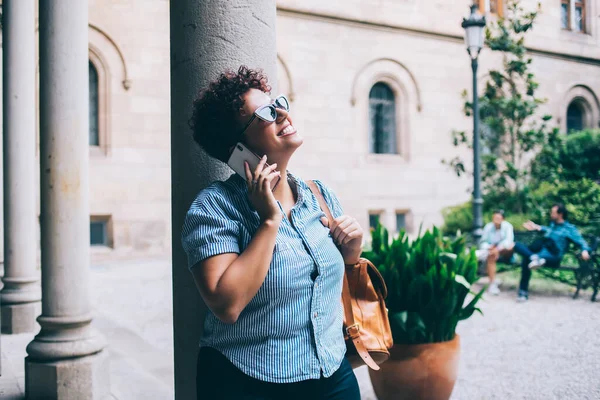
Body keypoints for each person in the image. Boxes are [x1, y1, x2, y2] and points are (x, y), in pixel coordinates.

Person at [181, 66, 362, 400]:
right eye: (265, 112)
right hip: (249, 381)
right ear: (239, 148)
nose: (282, 112)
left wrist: (351, 251)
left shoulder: (319, 195)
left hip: (332, 372)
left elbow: (330, 279)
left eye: (278, 103)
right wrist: (268, 221)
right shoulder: (214, 208)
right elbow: (227, 305)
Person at [511, 204, 591, 302]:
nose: (551, 214)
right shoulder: (553, 226)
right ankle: (534, 258)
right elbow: (549, 230)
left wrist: (585, 250)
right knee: (516, 246)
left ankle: (523, 290)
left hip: (554, 257)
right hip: (540, 254)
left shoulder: (569, 229)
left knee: (526, 259)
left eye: (553, 213)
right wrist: (537, 227)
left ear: (560, 214)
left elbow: (581, 241)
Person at [476, 210, 514, 295]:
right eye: (494, 218)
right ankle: (492, 284)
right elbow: (483, 242)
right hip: (491, 252)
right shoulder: (488, 227)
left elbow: (508, 242)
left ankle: (492, 282)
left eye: (498, 218)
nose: (496, 220)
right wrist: (489, 247)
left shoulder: (508, 226)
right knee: (492, 255)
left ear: (503, 219)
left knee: (509, 247)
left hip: (505, 252)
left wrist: (497, 248)